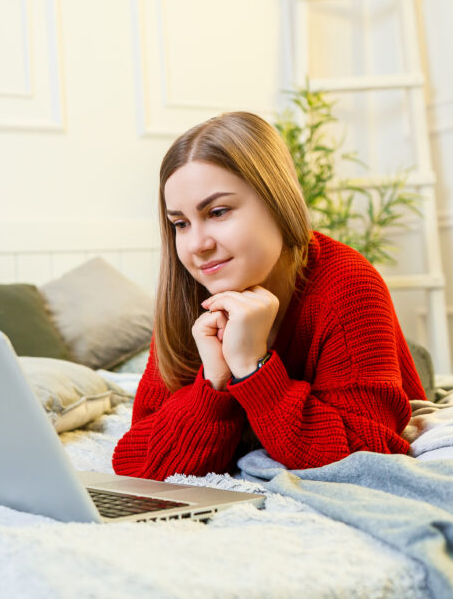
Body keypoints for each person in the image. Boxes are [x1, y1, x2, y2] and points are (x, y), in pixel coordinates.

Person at [112, 111, 427, 480]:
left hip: (366, 365)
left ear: (278, 203)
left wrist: (252, 367)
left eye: (217, 212)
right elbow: (139, 465)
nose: (197, 245)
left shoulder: (348, 281)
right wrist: (214, 381)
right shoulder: (187, 299)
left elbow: (367, 456)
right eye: (180, 223)